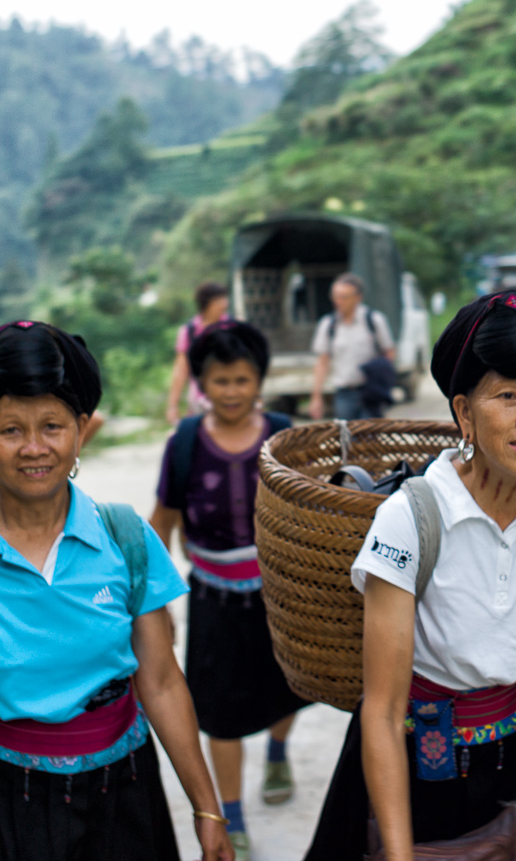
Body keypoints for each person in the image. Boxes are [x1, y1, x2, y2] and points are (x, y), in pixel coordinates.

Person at [0, 321, 232, 861]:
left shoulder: (126, 538)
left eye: (53, 426)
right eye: (10, 430)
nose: (34, 449)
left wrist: (207, 808)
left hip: (124, 795)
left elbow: (159, 682)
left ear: (81, 430)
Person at [305, 287, 516, 861]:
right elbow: (382, 706)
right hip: (414, 766)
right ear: (463, 412)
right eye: (507, 396)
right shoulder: (414, 518)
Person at [149, 319, 308, 856]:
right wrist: (155, 605)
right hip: (214, 600)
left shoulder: (285, 436)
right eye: (220, 381)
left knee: (288, 687)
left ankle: (279, 754)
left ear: (258, 380)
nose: (232, 392)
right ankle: (233, 818)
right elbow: (163, 523)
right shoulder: (186, 443)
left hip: (279, 600)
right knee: (218, 713)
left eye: (242, 380)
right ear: (202, 385)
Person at [308, 273, 395, 421]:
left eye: (344, 297)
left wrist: (383, 381)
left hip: (370, 392)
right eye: (335, 296)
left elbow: (389, 352)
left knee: (371, 439)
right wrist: (316, 397)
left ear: (357, 297)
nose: (338, 301)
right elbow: (322, 362)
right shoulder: (329, 324)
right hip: (344, 393)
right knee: (346, 438)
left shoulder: (373, 320)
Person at [166, 281, 231, 424]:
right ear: (208, 303)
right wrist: (172, 405)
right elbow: (180, 370)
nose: (225, 304)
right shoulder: (189, 332)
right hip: (199, 401)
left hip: (231, 397)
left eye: (225, 299)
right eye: (219, 300)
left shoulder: (234, 327)